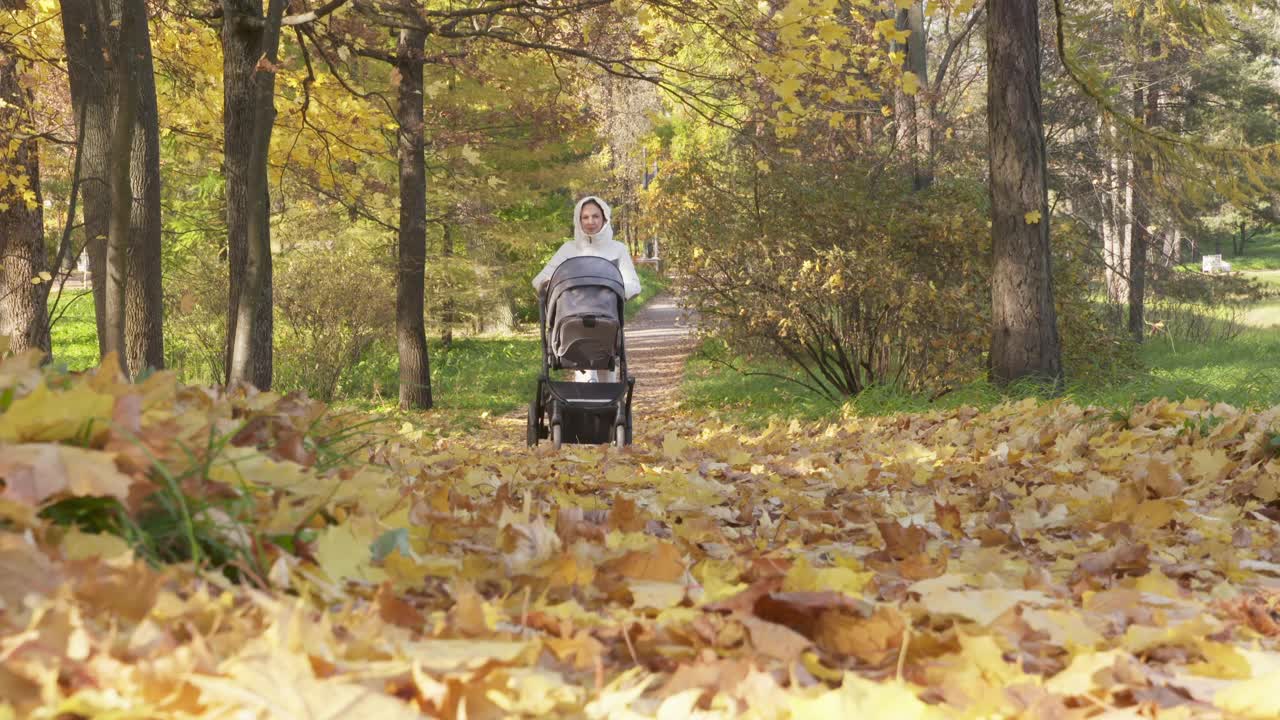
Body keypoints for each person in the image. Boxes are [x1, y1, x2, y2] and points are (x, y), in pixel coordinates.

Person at [533, 196, 641, 382]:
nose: (590, 221)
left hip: (606, 317)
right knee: (583, 366)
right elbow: (539, 280)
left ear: (605, 218)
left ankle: (610, 405)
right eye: (585, 217)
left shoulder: (617, 250)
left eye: (595, 216)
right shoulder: (568, 250)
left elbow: (633, 284)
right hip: (574, 318)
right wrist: (550, 283)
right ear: (578, 219)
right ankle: (583, 403)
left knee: (608, 374)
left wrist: (616, 290)